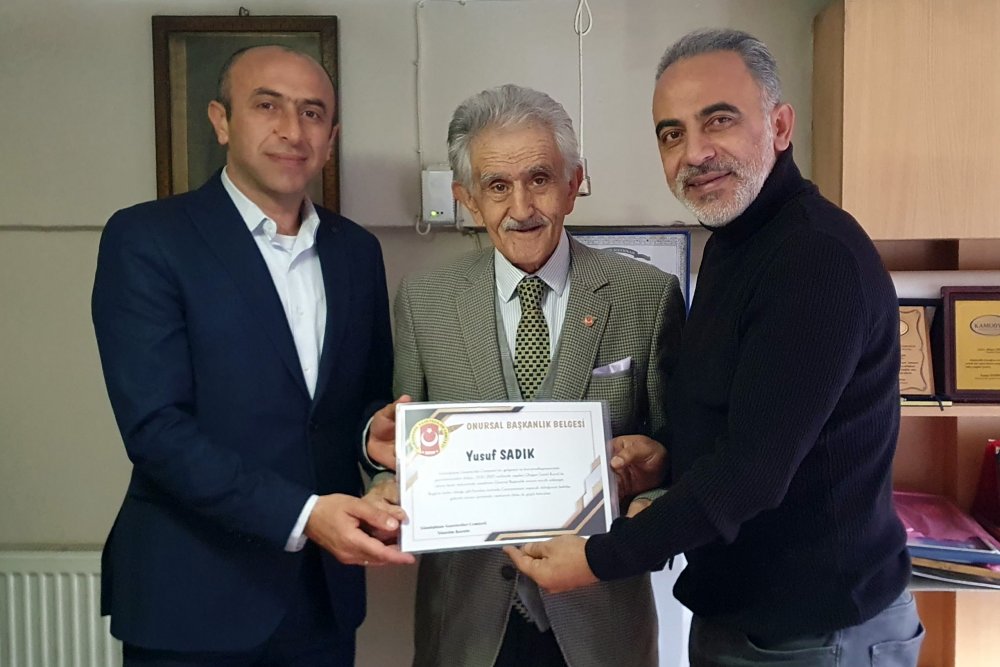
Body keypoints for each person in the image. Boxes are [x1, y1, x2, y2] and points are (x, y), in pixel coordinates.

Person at [506, 29, 925, 666]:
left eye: (719, 120)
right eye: (671, 133)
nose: (695, 152)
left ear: (780, 126)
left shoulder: (812, 258)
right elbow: (750, 418)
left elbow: (752, 472)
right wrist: (668, 461)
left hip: (814, 636)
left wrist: (599, 558)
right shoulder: (739, 240)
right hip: (749, 618)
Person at [92, 45, 413, 666]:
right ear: (221, 121)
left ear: (331, 136)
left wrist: (369, 435)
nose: (292, 130)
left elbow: (359, 400)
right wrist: (303, 515)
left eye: (312, 113)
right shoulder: (148, 239)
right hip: (192, 598)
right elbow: (156, 430)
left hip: (322, 599)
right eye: (268, 106)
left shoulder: (356, 251)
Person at [364, 84, 685, 667]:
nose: (521, 208)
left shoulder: (647, 295)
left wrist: (653, 501)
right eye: (496, 186)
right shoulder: (423, 301)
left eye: (539, 179)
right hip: (465, 625)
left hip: (601, 621)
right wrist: (385, 485)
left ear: (573, 184)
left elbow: (678, 451)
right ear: (467, 198)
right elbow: (401, 447)